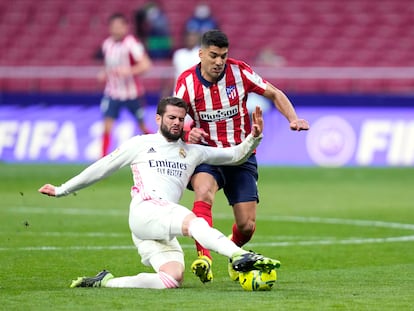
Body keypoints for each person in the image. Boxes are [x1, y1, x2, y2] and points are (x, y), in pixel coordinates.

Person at [38, 97, 280, 289]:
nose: (176, 122)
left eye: (181, 119)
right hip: (146, 209)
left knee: (172, 279)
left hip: (155, 224)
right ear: (158, 118)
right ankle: (239, 255)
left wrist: (254, 137)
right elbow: (102, 168)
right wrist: (62, 189)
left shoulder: (194, 151)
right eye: (171, 117)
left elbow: (235, 155)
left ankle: (106, 281)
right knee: (192, 222)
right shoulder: (140, 144)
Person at [174, 30, 309, 283]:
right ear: (201, 54)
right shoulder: (186, 83)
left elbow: (274, 93)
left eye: (223, 56)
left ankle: (233, 250)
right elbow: (174, 118)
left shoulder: (239, 72)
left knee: (247, 226)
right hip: (208, 155)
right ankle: (204, 258)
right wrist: (188, 131)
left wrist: (293, 118)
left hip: (241, 156)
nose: (219, 62)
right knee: (203, 192)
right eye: (213, 56)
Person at [98, 13, 153, 157]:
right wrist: (104, 73)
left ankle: (158, 150)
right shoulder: (107, 44)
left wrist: (128, 71)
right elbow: (108, 65)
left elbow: (146, 65)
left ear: (125, 27)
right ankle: (102, 159)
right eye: (113, 26)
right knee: (107, 126)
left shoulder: (132, 43)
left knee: (142, 126)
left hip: (132, 93)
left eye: (119, 26)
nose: (116, 29)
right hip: (112, 93)